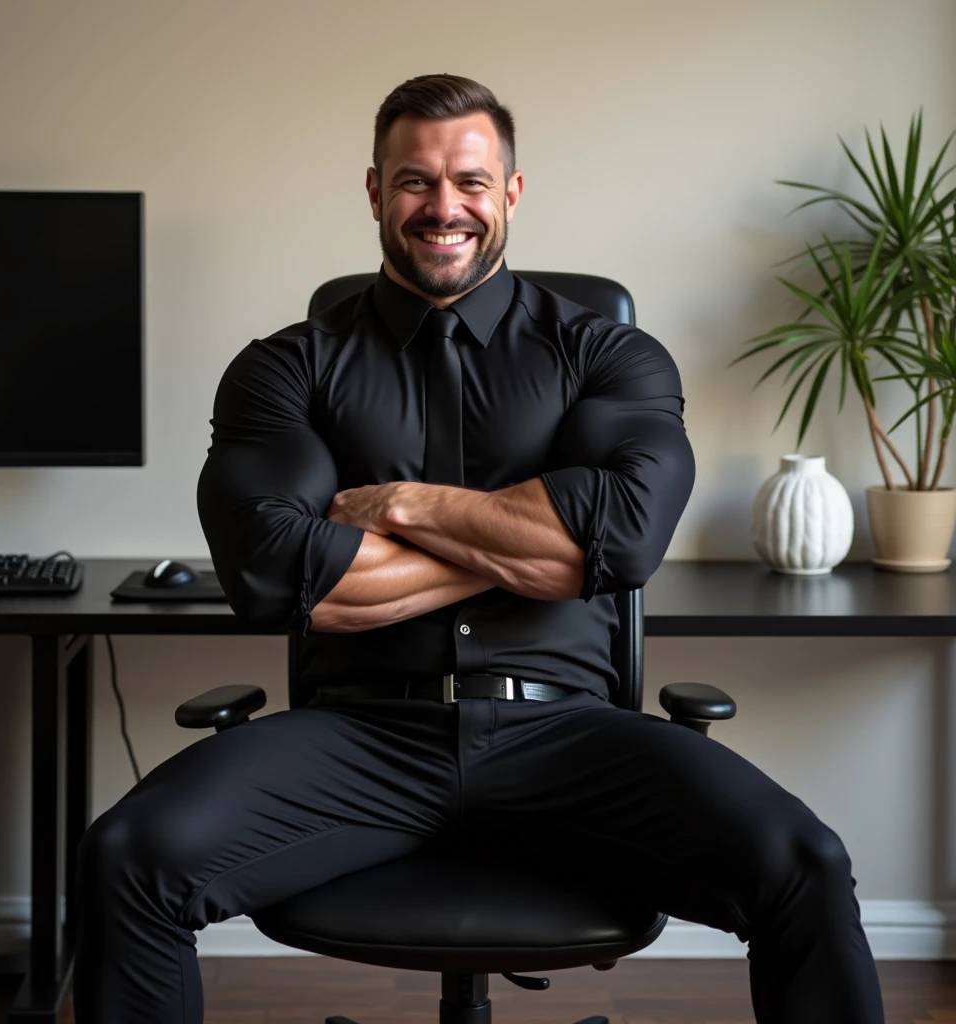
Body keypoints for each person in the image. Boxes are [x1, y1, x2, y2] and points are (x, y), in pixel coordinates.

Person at [73, 74, 885, 1024]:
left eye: (469, 179)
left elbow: (622, 541)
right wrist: (537, 543)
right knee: (124, 857)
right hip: (358, 738)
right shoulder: (286, 366)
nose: (443, 206)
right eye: (415, 181)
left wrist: (401, 506)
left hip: (570, 739)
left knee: (807, 864)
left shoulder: (608, 355)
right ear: (375, 192)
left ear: (511, 191)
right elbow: (271, 576)